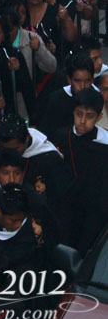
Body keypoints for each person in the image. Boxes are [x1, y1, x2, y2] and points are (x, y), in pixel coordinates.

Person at [51, 87, 108, 254]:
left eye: (89, 116)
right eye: (78, 114)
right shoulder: (61, 136)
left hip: (95, 212)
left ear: (99, 117)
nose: (82, 121)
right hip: (66, 209)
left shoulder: (104, 143)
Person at [41, 52, 95, 137]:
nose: (82, 86)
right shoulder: (56, 100)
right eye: (77, 81)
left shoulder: (98, 98)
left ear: (92, 80)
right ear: (69, 80)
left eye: (87, 81)